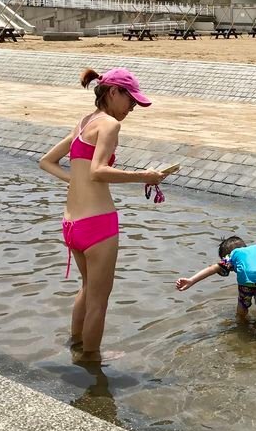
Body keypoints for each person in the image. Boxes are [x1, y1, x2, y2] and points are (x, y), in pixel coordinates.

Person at [39, 68, 165, 363]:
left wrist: (74, 181)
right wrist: (143, 175)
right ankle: (92, 362)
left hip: (71, 224)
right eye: (130, 100)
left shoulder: (84, 122)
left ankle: (76, 346)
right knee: (99, 300)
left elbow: (46, 161)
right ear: (113, 93)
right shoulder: (109, 125)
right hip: (98, 224)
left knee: (86, 288)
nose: (132, 107)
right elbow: (98, 171)